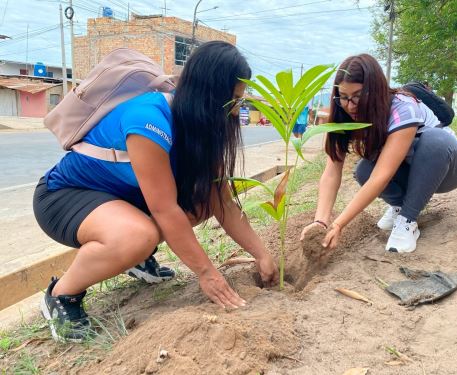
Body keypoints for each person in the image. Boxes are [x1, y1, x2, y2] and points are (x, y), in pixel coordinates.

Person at [33, 41, 279, 342]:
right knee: (138, 236)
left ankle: (136, 258)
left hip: (120, 199)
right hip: (66, 196)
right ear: (209, 95)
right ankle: (62, 295)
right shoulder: (149, 119)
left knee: (202, 203)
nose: (237, 110)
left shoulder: (201, 126)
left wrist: (262, 255)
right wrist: (206, 273)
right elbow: (164, 209)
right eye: (233, 101)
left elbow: (222, 203)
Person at [300, 53, 457, 254]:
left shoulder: (402, 107)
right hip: (412, 170)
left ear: (375, 91)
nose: (350, 105)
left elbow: (383, 175)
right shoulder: (343, 115)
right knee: (364, 170)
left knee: (435, 140)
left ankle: (408, 219)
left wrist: (338, 224)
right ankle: (401, 207)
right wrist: (321, 222)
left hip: (450, 166)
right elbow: (331, 172)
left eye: (357, 96)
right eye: (344, 97)